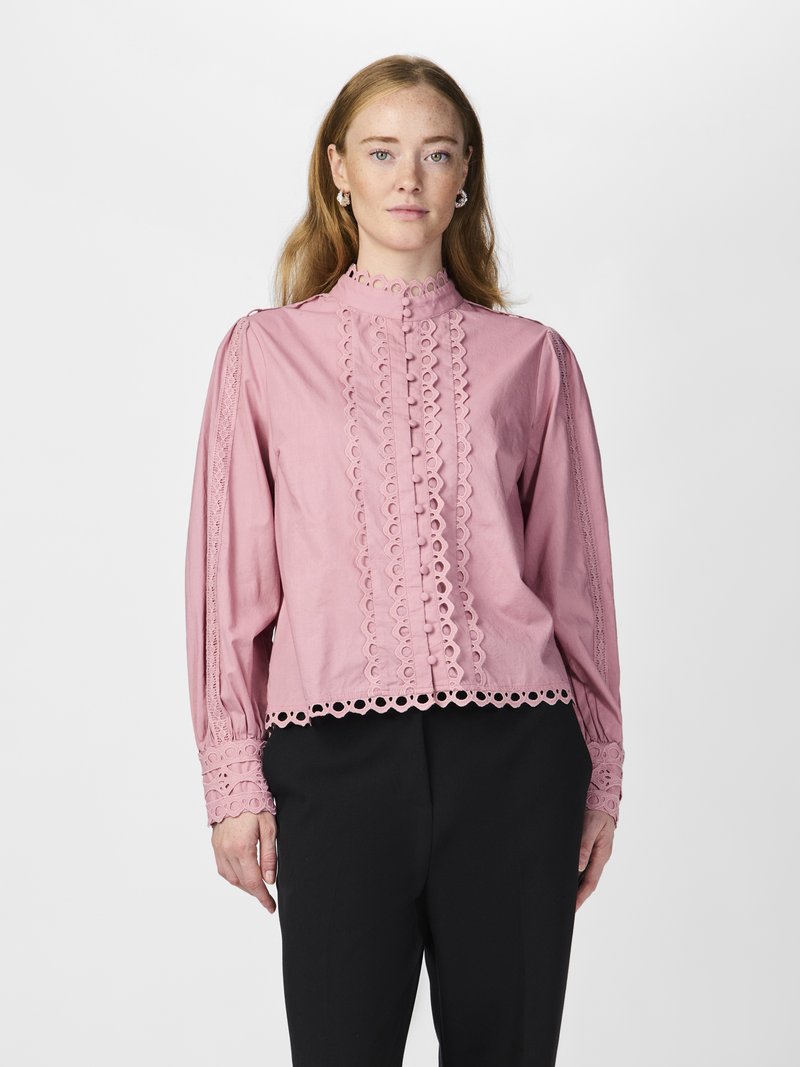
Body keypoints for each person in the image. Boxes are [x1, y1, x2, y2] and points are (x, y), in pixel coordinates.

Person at [184, 53, 625, 1067]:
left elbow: (578, 585)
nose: (408, 178)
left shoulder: (533, 359)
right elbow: (228, 582)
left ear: (465, 174)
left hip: (516, 756)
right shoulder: (263, 354)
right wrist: (232, 778)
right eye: (382, 152)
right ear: (338, 170)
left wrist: (601, 770)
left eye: (436, 153)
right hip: (331, 764)